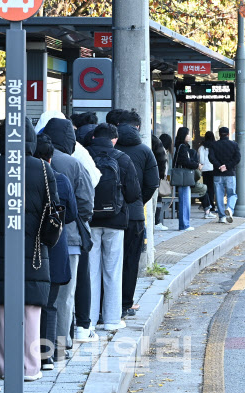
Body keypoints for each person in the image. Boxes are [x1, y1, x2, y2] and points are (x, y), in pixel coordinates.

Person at [0, 117, 58, 381]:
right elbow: (53, 207)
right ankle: (31, 367)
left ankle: (5, 367)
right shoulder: (43, 169)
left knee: (3, 309)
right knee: (32, 309)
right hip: (36, 248)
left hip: (1, 246)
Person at [41, 118, 96, 349]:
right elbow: (85, 201)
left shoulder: (33, 158)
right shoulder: (73, 164)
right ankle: (62, 341)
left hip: (35, 237)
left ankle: (38, 341)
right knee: (64, 294)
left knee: (41, 292)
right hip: (69, 236)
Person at [86, 123, 140, 331]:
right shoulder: (122, 158)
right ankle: (112, 320)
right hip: (116, 221)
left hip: (90, 221)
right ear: (114, 139)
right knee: (112, 270)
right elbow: (133, 193)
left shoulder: (84, 155)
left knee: (91, 272)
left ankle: (88, 319)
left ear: (93, 137)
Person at [33, 133, 77, 371]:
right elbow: (71, 215)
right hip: (55, 244)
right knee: (50, 303)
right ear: (50, 158)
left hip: (29, 247)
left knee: (29, 303)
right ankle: (46, 355)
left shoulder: (21, 178)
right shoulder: (61, 179)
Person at [115, 110, 159, 318]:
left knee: (106, 260)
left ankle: (104, 303)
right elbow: (152, 183)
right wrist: (138, 200)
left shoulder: (108, 147)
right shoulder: (144, 150)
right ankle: (125, 304)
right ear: (138, 127)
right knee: (131, 260)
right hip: (134, 214)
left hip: (106, 214)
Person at [208, 126, 239, 224]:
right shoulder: (234, 144)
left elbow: (211, 157)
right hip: (230, 173)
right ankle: (230, 209)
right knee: (232, 194)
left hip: (217, 173)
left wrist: (219, 166)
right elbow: (237, 158)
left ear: (219, 134)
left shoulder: (214, 145)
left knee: (219, 195)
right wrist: (227, 166)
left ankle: (221, 216)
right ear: (228, 134)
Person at [173, 127, 202, 231]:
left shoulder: (181, 146)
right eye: (188, 134)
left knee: (185, 201)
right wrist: (197, 165)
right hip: (183, 178)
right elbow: (185, 162)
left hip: (183, 178)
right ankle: (184, 225)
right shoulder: (182, 147)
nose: (189, 136)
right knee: (185, 201)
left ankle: (185, 224)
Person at [198, 131, 217, 213]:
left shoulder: (202, 147)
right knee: (212, 188)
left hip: (205, 169)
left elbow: (201, 159)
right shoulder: (215, 146)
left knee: (206, 188)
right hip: (213, 168)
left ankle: (207, 204)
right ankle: (212, 205)